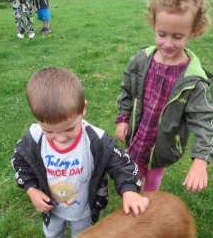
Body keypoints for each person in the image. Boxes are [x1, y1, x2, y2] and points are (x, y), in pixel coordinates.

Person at [11, 67, 149, 238]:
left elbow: (122, 164)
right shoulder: (33, 139)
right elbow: (20, 162)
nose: (60, 138)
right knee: (52, 234)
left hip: (84, 210)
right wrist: (31, 189)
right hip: (50, 209)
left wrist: (129, 190)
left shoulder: (96, 140)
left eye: (69, 129)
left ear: (83, 108)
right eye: (50, 131)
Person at [115, 0, 213, 193]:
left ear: (194, 31)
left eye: (178, 36)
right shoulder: (140, 60)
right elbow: (127, 90)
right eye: (162, 34)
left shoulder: (194, 80)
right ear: (153, 23)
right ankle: (134, 201)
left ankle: (149, 205)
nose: (168, 43)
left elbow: (206, 119)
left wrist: (201, 160)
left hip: (163, 145)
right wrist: (123, 118)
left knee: (153, 180)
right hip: (139, 135)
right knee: (132, 175)